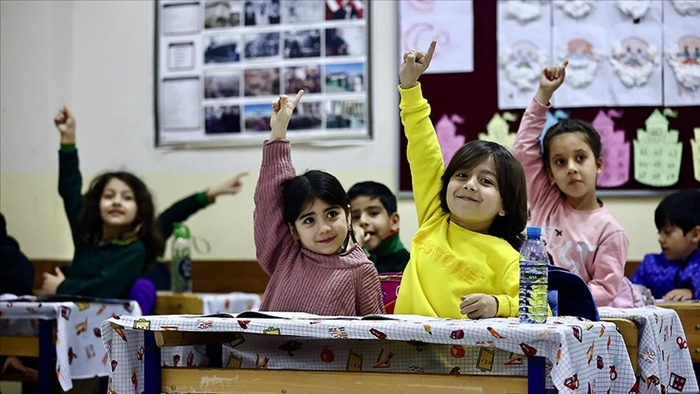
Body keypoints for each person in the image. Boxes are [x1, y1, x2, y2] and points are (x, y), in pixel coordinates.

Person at [394, 41, 528, 319]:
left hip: (461, 361)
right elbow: (423, 149)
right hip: (401, 354)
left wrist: (498, 304)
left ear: (504, 205)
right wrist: (410, 88)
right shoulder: (434, 218)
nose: (470, 185)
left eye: (487, 182)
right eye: (462, 175)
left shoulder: (507, 257)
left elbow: (542, 309)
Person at [512, 62, 639, 308]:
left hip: (579, 322)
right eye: (560, 162)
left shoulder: (610, 231)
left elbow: (605, 288)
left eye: (580, 158)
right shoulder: (544, 198)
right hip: (534, 311)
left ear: (599, 164)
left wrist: (557, 299)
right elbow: (523, 150)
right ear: (549, 174)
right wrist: (544, 94)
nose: (571, 168)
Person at [254, 90, 384, 316]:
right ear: (293, 230)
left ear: (348, 215)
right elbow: (270, 201)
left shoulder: (361, 270)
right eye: (309, 220)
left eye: (332, 214)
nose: (324, 228)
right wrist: (278, 133)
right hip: (267, 353)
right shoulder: (286, 255)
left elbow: (375, 337)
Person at [41, 105, 163, 299]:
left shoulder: (134, 249)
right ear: (97, 205)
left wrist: (62, 287)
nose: (116, 202)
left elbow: (103, 288)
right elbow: (70, 189)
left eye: (127, 198)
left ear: (139, 211)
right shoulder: (87, 235)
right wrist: (68, 140)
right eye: (108, 196)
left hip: (109, 325)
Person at [145, 172, 249, 291]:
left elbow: (174, 213)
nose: (117, 202)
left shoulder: (148, 237)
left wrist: (212, 193)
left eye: (127, 197)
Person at [631, 189, 700, 301]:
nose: (660, 239)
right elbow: (631, 293)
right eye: (659, 232)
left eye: (667, 232)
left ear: (695, 234)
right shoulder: (649, 265)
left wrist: (692, 291)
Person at [347, 181, 409, 273]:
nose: (363, 221)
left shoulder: (409, 264)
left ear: (394, 221)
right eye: (355, 217)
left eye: (373, 213)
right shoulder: (344, 258)